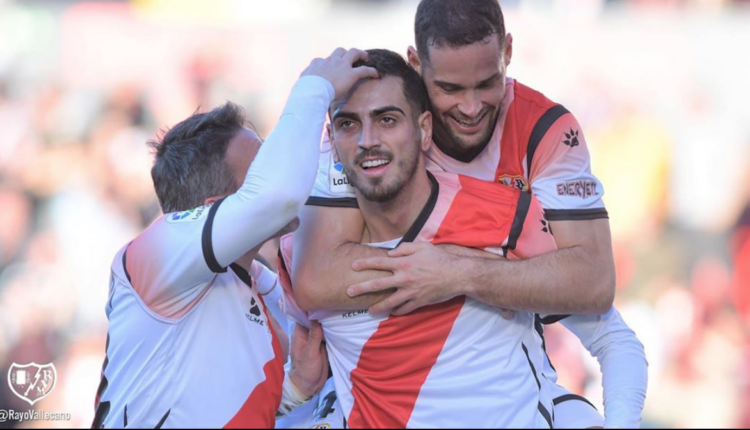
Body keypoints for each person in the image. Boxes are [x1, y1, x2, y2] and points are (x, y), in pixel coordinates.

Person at [291, 1, 646, 427]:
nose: (472, 107)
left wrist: (459, 274)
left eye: (487, 83)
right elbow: (314, 279)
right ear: (416, 64)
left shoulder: (542, 137)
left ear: (507, 54)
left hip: (513, 380)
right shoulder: (362, 128)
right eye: (450, 89)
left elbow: (593, 285)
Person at [92, 49, 378, 428]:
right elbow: (277, 197)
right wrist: (315, 88)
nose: (278, 171)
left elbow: (207, 405)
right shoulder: (156, 252)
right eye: (260, 169)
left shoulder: (263, 284)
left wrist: (294, 389)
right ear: (212, 208)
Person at [280, 48, 557, 428]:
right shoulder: (299, 247)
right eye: (347, 124)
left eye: (387, 120)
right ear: (331, 141)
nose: (367, 140)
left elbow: (597, 316)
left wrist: (462, 273)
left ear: (424, 129)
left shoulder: (507, 217)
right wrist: (296, 392)